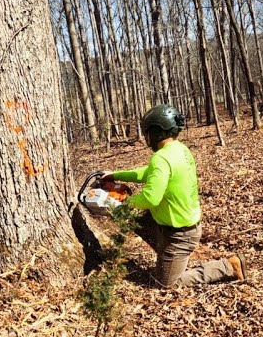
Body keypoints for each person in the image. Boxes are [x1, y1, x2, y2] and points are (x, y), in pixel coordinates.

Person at [101, 104, 243, 289]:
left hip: (180, 234)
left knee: (167, 283)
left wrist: (123, 203)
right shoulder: (180, 149)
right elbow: (149, 173)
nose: (146, 138)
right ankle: (167, 253)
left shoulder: (161, 158)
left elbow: (151, 198)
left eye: (147, 133)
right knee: (134, 219)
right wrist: (116, 175)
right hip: (175, 224)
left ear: (157, 132)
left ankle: (227, 266)